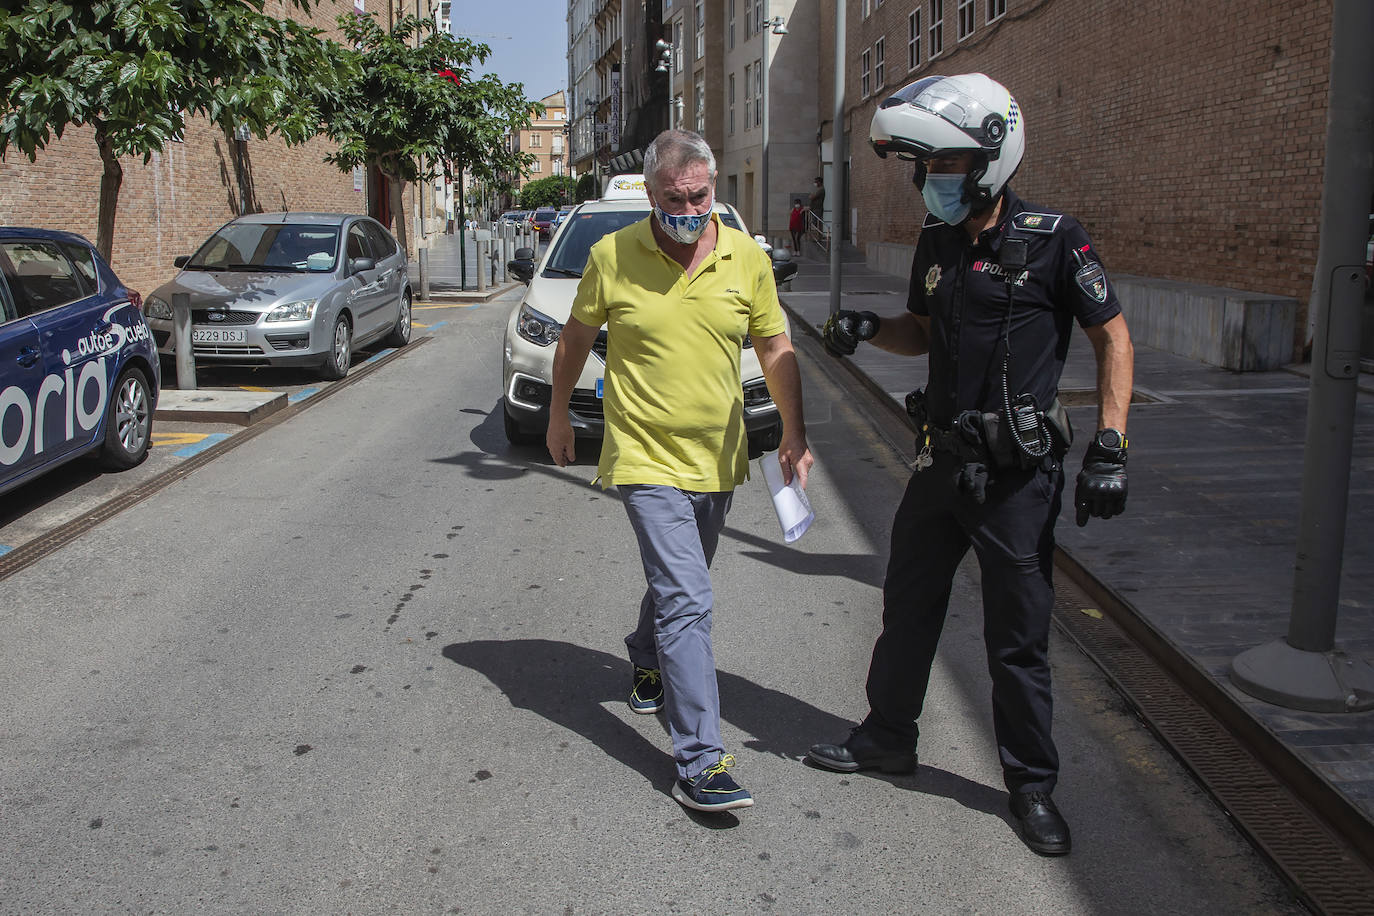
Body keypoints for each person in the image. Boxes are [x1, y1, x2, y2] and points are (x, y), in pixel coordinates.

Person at [808, 73, 1133, 857]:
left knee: (1015, 640)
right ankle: (888, 736)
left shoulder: (1057, 238)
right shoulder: (937, 239)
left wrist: (1112, 445)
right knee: (907, 606)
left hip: (1017, 480)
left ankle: (1031, 788)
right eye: (924, 171)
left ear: (990, 159)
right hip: (939, 462)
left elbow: (1113, 337)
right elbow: (921, 331)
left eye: (943, 168)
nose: (930, 183)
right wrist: (868, 326)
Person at [547, 129, 814, 813]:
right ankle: (700, 761)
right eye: (675, 198)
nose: (689, 209)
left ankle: (644, 649)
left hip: (718, 455)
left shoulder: (744, 256)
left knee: (679, 585)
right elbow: (577, 337)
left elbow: (775, 346)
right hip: (641, 454)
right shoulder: (613, 255)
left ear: (714, 185)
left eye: (700, 196)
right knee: (689, 597)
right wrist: (556, 414)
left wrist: (793, 432)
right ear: (652, 193)